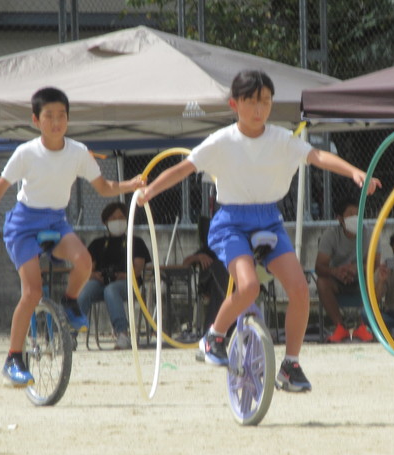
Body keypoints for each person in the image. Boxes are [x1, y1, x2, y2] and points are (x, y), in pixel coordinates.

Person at [138, 70, 380, 392]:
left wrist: (354, 172)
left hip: (269, 221)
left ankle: (290, 365)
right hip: (231, 223)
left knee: (298, 289)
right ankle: (213, 337)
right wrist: (150, 191)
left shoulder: (281, 138)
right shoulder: (221, 141)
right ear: (234, 104)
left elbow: (317, 156)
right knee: (249, 286)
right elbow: (183, 168)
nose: (259, 109)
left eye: (265, 101)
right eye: (251, 101)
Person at [0, 87, 144, 387]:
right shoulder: (26, 153)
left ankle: (70, 301)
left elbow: (103, 187)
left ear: (68, 119)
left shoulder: (77, 151)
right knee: (32, 293)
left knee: (85, 261)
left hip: (56, 220)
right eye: (48, 116)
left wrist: (132, 184)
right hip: (23, 225)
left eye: (61, 115)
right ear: (36, 120)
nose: (56, 122)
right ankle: (13, 358)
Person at [78, 202, 151, 350]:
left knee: (111, 290)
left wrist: (125, 275)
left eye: (121, 217)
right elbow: (87, 268)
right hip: (101, 283)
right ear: (105, 222)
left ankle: (123, 334)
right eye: (113, 218)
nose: (117, 220)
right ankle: (70, 333)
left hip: (129, 284)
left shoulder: (136, 242)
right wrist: (92, 275)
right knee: (86, 291)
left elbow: (138, 267)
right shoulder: (98, 244)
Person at [315, 195, 378, 343]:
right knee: (322, 282)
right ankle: (340, 327)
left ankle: (363, 325)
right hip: (338, 282)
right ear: (340, 219)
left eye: (357, 213)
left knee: (376, 277)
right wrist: (336, 272)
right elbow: (319, 267)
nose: (355, 217)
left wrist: (356, 269)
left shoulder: (370, 234)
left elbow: (374, 264)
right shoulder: (330, 235)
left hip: (362, 280)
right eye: (350, 214)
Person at [182, 215, 230, 334]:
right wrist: (198, 257)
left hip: (232, 284)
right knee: (217, 269)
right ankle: (213, 331)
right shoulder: (207, 249)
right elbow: (185, 264)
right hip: (211, 285)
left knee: (221, 267)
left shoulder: (230, 246)